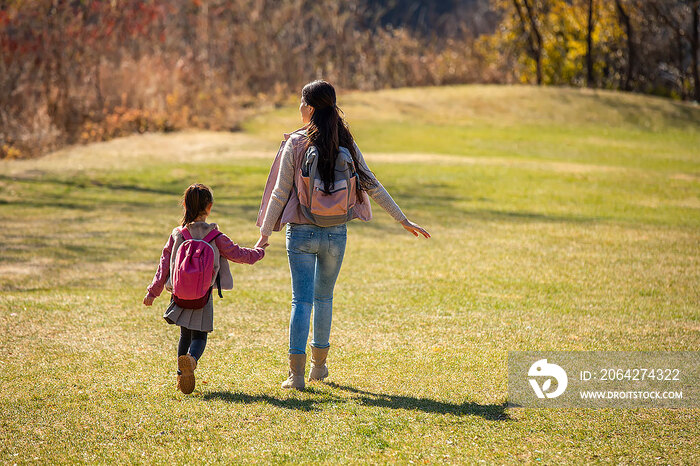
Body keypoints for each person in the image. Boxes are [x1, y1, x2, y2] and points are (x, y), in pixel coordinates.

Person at [256, 80, 430, 390]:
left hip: (302, 234)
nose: (298, 107)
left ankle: (296, 376)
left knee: (302, 301)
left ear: (308, 108)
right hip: (336, 233)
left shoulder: (295, 143)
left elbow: (281, 192)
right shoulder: (345, 141)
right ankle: (318, 368)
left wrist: (265, 234)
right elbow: (371, 182)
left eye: (300, 101)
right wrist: (401, 219)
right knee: (324, 298)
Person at [144, 183, 266, 394]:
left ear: (185, 205)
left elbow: (163, 265)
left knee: (185, 334)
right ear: (209, 207)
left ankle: (181, 377)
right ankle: (191, 361)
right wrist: (260, 250)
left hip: (179, 295)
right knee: (200, 336)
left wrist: (152, 292)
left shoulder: (178, 234)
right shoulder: (215, 237)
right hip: (203, 295)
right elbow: (240, 255)